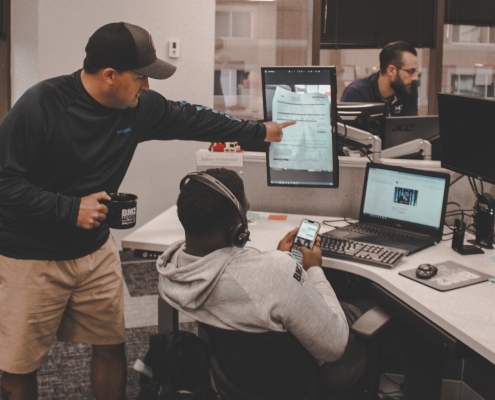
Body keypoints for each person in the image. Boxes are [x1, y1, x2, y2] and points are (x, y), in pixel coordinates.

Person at [0, 22, 294, 400]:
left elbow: (196, 119)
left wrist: (259, 131)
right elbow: (4, 183)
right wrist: (68, 208)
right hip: (30, 254)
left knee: (111, 345)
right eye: (141, 77)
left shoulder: (138, 108)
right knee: (18, 367)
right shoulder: (42, 106)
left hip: (94, 249)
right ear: (110, 76)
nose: (148, 87)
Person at [157, 168, 370, 395]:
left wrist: (280, 258)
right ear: (237, 231)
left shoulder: (173, 268)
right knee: (374, 312)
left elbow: (250, 280)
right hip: (307, 379)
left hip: (238, 379)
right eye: (245, 211)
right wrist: (314, 268)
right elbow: (335, 348)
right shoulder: (278, 271)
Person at [341, 41, 420, 116]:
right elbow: (347, 130)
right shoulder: (356, 93)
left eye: (416, 71)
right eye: (411, 71)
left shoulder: (408, 88)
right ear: (391, 70)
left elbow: (410, 128)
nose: (415, 78)